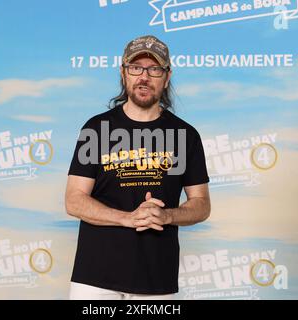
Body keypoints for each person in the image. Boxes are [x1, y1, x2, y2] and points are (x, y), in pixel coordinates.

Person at [65, 35, 211, 300]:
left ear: (166, 77)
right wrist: (127, 218)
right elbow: (74, 200)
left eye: (154, 69)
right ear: (124, 73)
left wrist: (167, 216)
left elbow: (201, 204)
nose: (144, 76)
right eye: (136, 68)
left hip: (155, 281)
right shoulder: (96, 129)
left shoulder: (185, 135)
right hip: (94, 279)